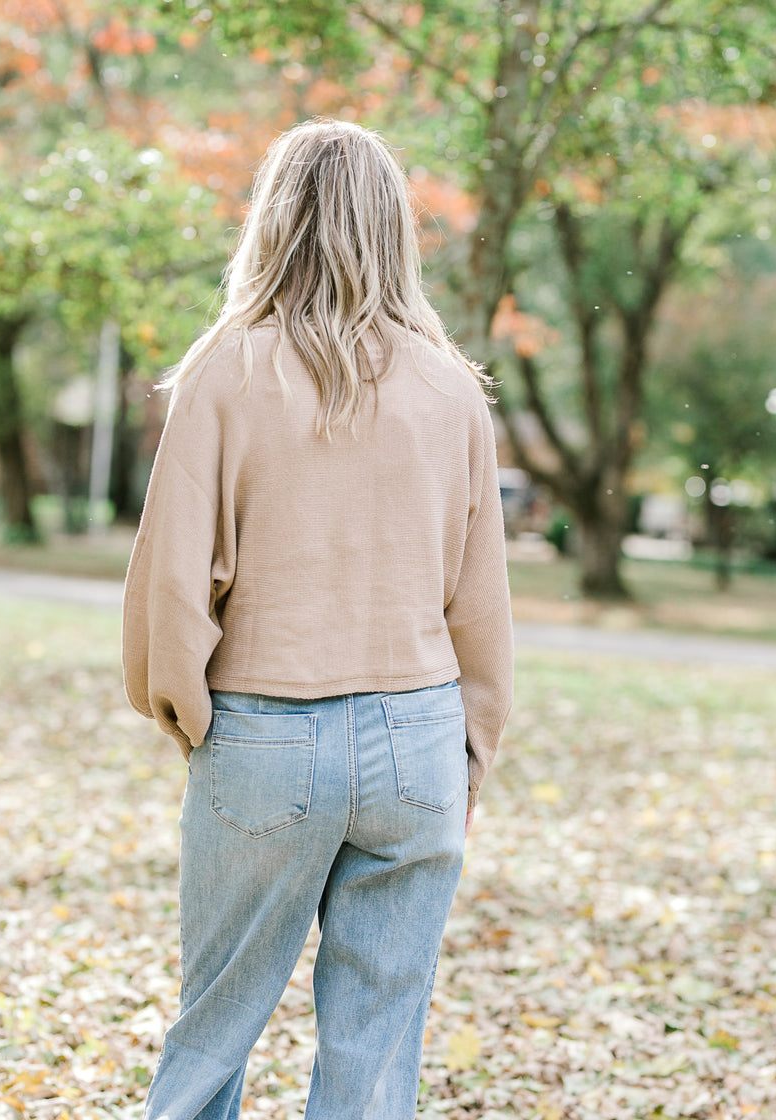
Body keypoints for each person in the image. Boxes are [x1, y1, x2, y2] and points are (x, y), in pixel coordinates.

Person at [121, 117, 513, 1120]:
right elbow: (479, 604)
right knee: (378, 1043)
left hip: (263, 724)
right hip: (416, 735)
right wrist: (469, 750)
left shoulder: (226, 372)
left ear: (275, 218)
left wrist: (187, 717)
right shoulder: (451, 391)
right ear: (393, 229)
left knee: (213, 1023)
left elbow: (172, 581)